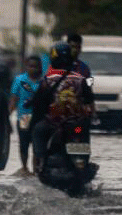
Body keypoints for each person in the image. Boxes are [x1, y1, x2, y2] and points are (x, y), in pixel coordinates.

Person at [26, 42, 94, 173]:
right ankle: (83, 163)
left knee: (38, 130)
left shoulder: (47, 81)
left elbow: (39, 106)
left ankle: (39, 164)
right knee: (83, 131)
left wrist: (32, 125)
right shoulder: (81, 79)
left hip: (52, 125)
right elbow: (89, 100)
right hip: (76, 126)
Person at [9, 55, 42, 177]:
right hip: (24, 117)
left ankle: (36, 170)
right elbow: (14, 99)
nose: (33, 69)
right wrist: (8, 115)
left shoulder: (44, 81)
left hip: (39, 118)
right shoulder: (19, 80)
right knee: (24, 143)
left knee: (37, 144)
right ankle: (24, 167)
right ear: (26, 67)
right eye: (30, 66)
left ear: (40, 68)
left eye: (36, 66)